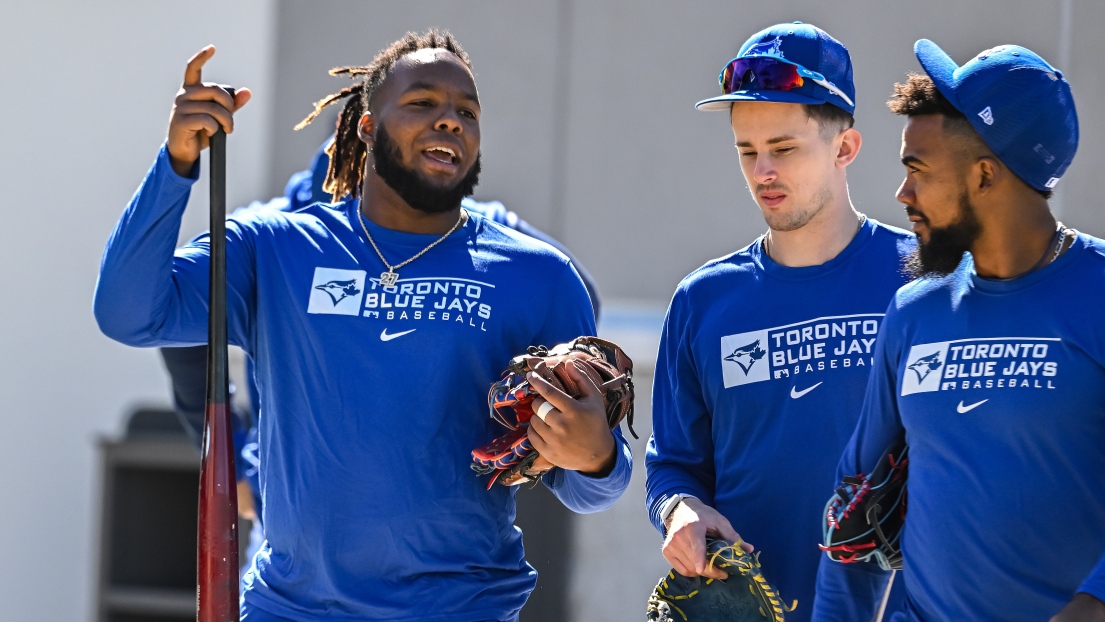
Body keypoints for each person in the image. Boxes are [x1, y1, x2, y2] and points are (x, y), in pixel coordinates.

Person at [94, 30, 631, 621]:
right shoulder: (274, 248)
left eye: (467, 111)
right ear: (366, 128)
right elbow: (129, 312)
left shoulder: (538, 276)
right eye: (423, 102)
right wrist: (176, 164)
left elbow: (591, 490)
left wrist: (594, 456)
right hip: (290, 609)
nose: (450, 120)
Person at [158, 136, 604, 580]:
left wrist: (533, 415)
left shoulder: (474, 232)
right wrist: (235, 460)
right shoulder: (275, 232)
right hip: (296, 539)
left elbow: (573, 291)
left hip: (442, 547)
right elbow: (178, 313)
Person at [814, 40, 1105, 622]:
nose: (902, 195)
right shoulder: (912, 312)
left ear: (985, 174)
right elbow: (855, 507)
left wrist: (1095, 602)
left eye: (917, 170)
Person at [643, 22, 914, 622]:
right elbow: (672, 466)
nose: (762, 170)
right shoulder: (702, 301)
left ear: (844, 148)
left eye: (784, 149)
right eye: (747, 151)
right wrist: (679, 510)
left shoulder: (922, 279)